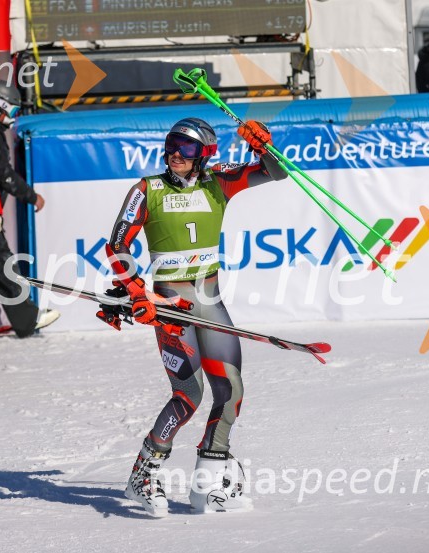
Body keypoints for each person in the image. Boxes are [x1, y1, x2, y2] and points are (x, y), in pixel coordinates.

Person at [107, 117, 287, 516]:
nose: (176, 154)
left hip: (210, 299)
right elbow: (117, 244)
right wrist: (137, 291)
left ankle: (208, 483)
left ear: (204, 154)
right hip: (170, 304)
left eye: (186, 148)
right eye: (171, 144)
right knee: (189, 395)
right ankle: (142, 474)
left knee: (231, 390)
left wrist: (263, 147)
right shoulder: (146, 189)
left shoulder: (218, 181)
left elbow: (277, 172)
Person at [0, 83, 60, 337]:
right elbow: (3, 173)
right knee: (1, 263)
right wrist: (31, 196)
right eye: (13, 111)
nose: (13, 117)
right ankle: (27, 320)